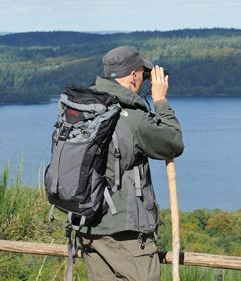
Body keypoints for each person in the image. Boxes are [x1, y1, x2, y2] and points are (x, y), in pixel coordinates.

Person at [78, 46, 184, 281]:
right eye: (143, 74)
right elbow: (174, 143)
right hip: (125, 231)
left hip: (88, 227)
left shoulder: (86, 108)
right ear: (134, 75)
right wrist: (160, 101)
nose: (144, 80)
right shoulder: (131, 117)